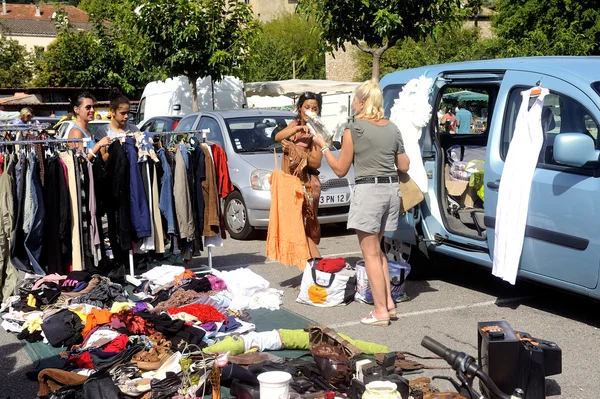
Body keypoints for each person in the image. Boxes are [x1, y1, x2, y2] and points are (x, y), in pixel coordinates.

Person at [312, 80, 410, 327]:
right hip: (391, 191)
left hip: (369, 191)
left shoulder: (353, 128)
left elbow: (340, 169)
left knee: (370, 254)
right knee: (378, 250)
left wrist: (324, 147)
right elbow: (404, 165)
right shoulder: (392, 128)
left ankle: (380, 312)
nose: (353, 104)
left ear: (363, 102)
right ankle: (388, 303)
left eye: (355, 99)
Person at [274, 92, 323, 259]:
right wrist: (295, 128)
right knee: (297, 230)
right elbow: (277, 136)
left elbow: (316, 162)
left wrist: (293, 150)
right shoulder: (295, 123)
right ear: (300, 108)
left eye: (314, 108)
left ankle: (317, 268)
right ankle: (310, 273)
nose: (309, 111)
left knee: (305, 229)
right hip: (293, 183)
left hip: (308, 184)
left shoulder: (317, 130)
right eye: (306, 107)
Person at [95, 94, 140, 162]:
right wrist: (117, 145)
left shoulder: (134, 130)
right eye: (123, 113)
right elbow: (103, 159)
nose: (126, 116)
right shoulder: (103, 131)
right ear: (113, 112)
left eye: (128, 113)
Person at [67, 92, 110, 161]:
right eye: (88, 107)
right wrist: (98, 145)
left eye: (93, 107)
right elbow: (81, 161)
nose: (92, 110)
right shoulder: (76, 132)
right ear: (76, 109)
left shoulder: (87, 130)